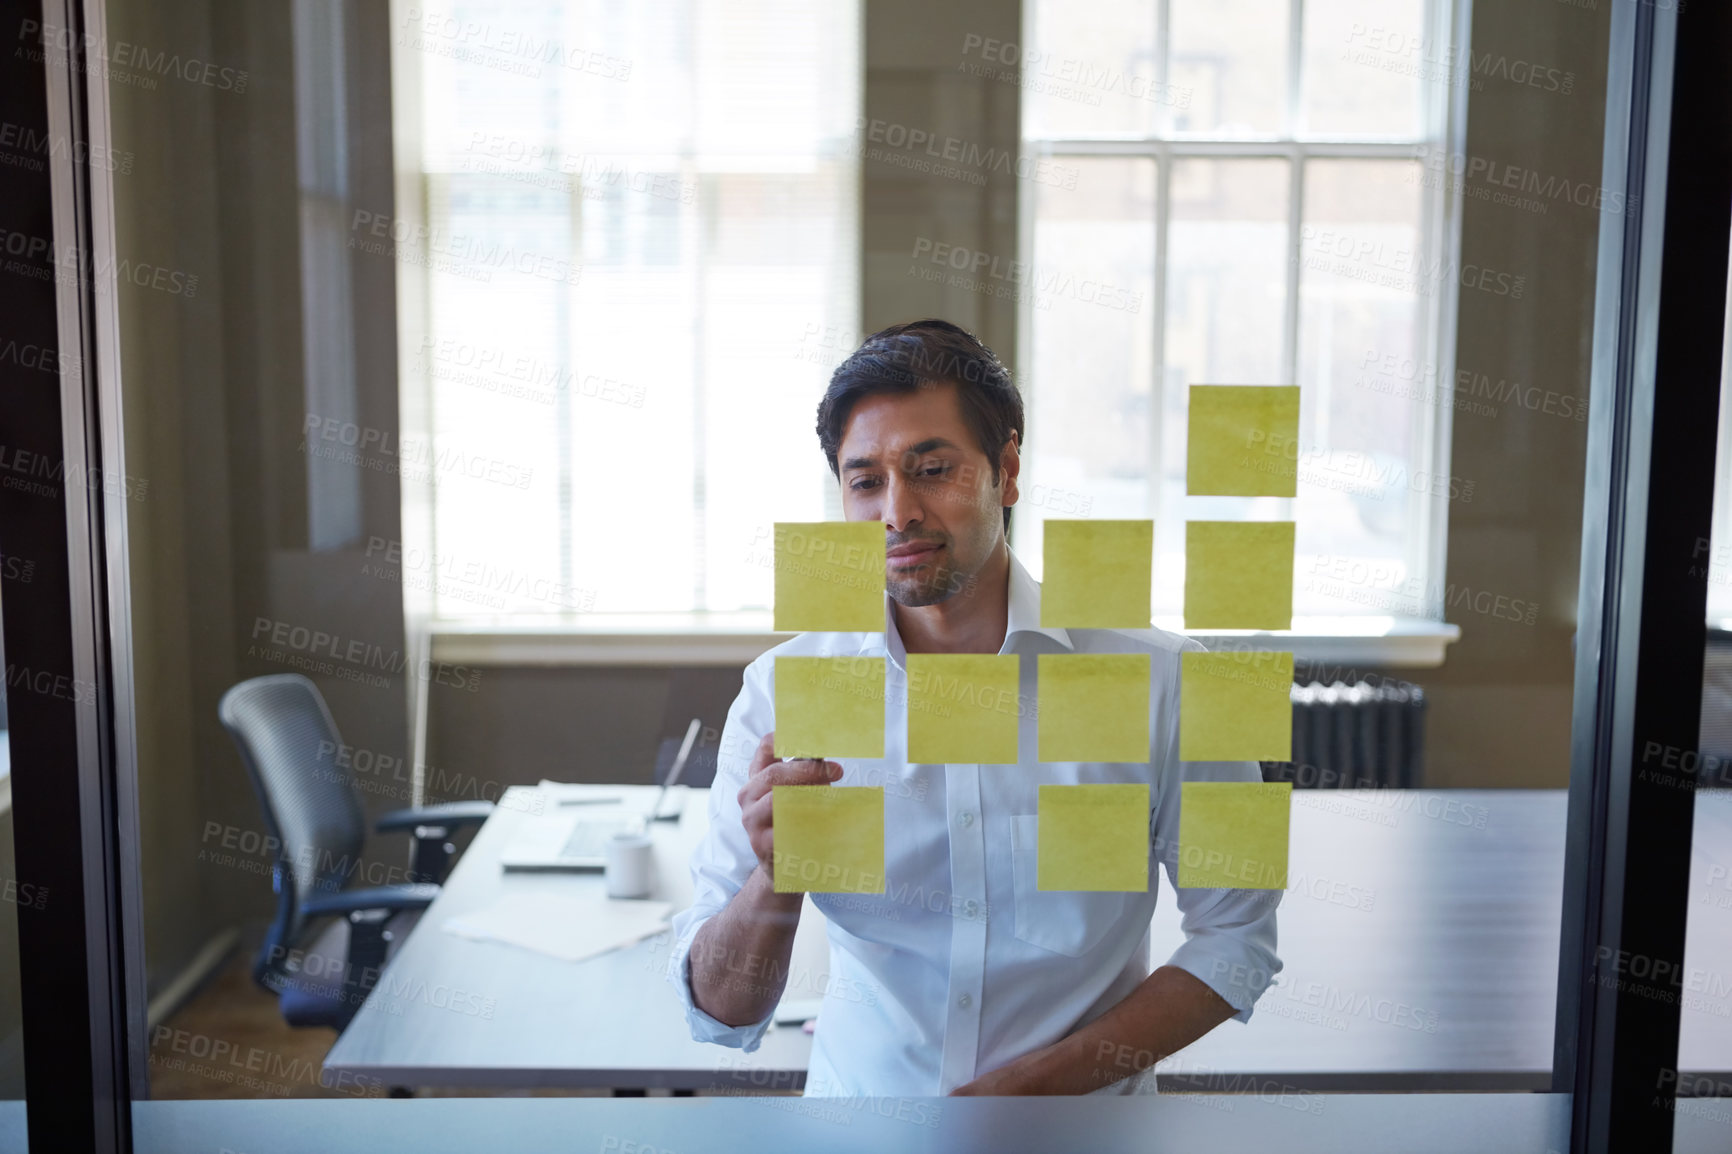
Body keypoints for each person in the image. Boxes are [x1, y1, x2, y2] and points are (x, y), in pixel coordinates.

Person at [667, 319, 1281, 1096]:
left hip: (1080, 1139)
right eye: (865, 482)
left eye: (931, 469)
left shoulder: (1172, 679)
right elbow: (720, 1011)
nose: (899, 512)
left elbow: (1240, 941)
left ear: (1008, 470)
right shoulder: (782, 690)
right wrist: (774, 879)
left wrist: (1032, 1092)